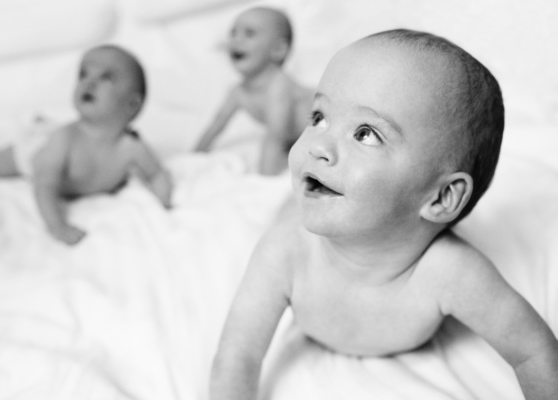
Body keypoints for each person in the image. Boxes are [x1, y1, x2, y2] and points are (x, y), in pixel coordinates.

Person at [210, 29, 558, 400]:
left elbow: (535, 354)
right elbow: (237, 357)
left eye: (365, 133)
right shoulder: (285, 251)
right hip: (294, 213)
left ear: (440, 197)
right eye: (318, 117)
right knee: (282, 207)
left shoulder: (451, 274)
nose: (318, 146)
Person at [0, 44, 173, 246]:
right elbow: (44, 185)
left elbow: (157, 174)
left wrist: (164, 202)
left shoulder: (131, 147)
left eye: (106, 77)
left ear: (132, 104)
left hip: (55, 139)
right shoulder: (64, 140)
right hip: (37, 147)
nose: (89, 82)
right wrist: (57, 226)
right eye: (83, 74)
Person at [193, 6, 312, 176]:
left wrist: (264, 180)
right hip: (295, 139)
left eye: (249, 33)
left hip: (325, 124)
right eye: (233, 33)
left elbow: (275, 136)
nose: (236, 40)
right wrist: (193, 157)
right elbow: (215, 127)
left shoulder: (279, 85)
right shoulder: (238, 92)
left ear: (278, 49)